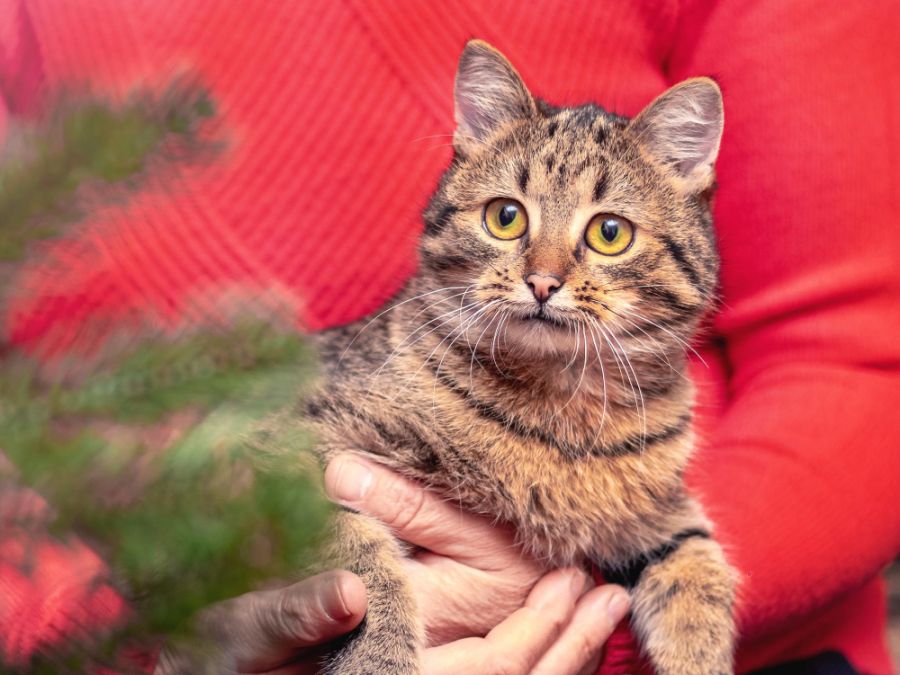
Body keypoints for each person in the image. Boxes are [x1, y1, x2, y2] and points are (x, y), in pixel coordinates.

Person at [2, 0, 899, 673]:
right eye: (507, 216)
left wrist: (584, 625)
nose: (547, 271)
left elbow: (860, 356)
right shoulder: (418, 372)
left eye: (608, 233)